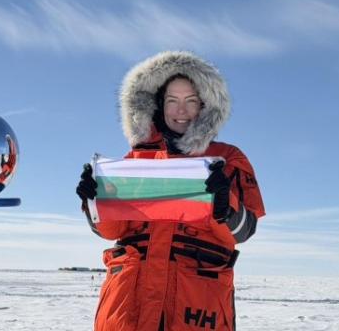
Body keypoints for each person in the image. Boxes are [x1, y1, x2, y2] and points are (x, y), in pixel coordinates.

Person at [76, 51, 265, 331]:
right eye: (172, 101)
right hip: (129, 304)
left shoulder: (228, 159)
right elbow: (113, 230)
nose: (181, 111)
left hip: (195, 306)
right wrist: (94, 202)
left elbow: (244, 231)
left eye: (191, 101)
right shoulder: (134, 161)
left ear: (205, 106)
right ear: (156, 105)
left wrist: (226, 207)